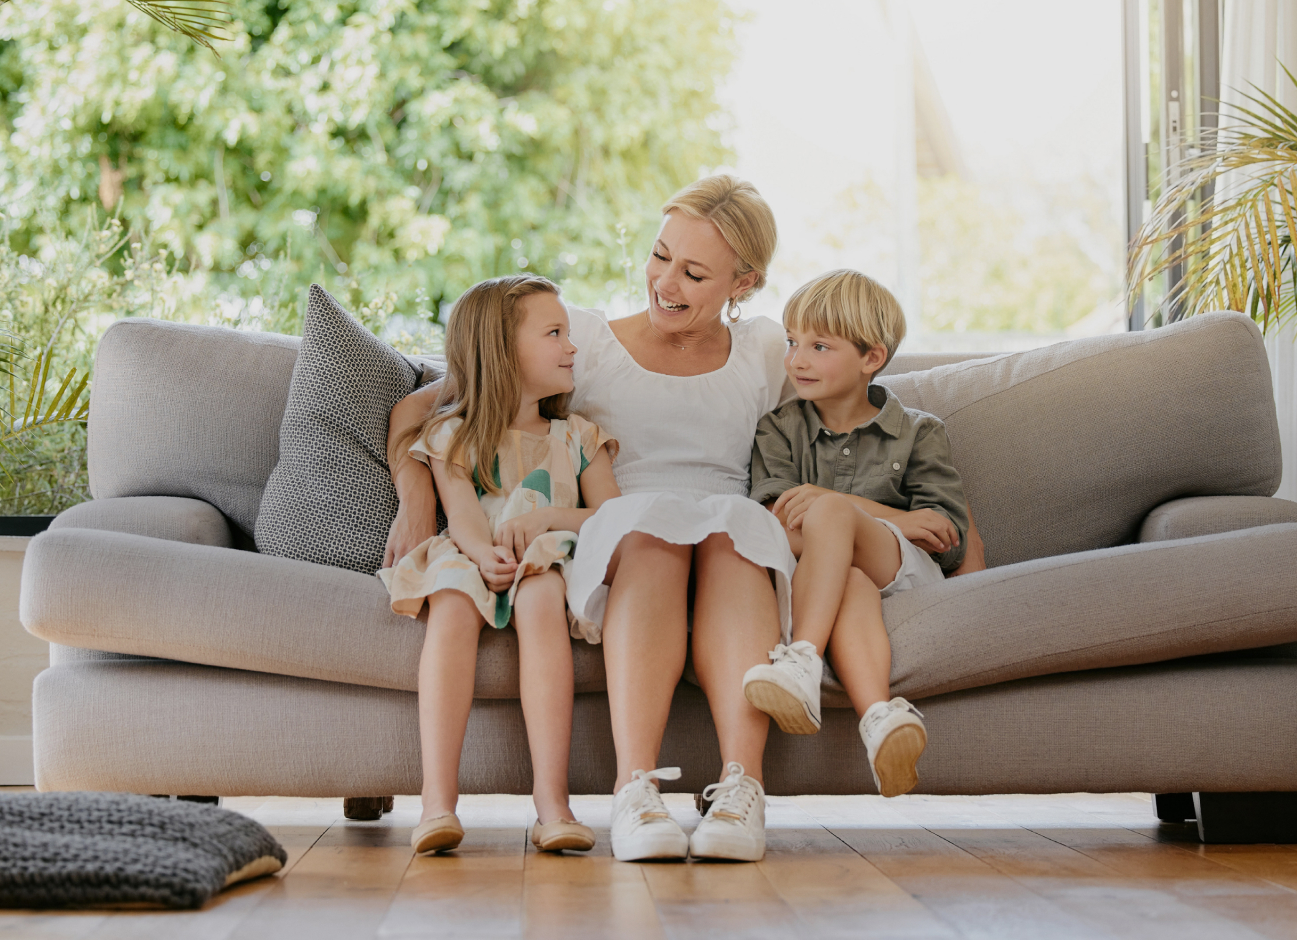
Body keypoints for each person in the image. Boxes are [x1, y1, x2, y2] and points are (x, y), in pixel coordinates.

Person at [387, 177, 988, 863]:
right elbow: (423, 408)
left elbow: (867, 416)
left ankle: (741, 789)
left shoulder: (768, 349)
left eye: (694, 273)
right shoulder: (583, 341)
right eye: (660, 255)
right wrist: (416, 497)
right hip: (625, 535)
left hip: (731, 533)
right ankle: (635, 790)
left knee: (733, 536)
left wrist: (957, 552)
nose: (665, 282)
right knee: (656, 536)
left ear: (743, 282)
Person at [377, 274, 620, 856]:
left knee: (540, 596)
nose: (572, 347)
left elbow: (613, 517)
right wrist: (482, 553)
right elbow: (461, 515)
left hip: (546, 558)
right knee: (452, 600)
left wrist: (550, 519)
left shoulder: (578, 437)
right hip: (474, 550)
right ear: (502, 351)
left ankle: (552, 804)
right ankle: (437, 802)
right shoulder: (454, 435)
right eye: (555, 334)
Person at [743, 269, 979, 799]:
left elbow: (947, 537)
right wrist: (894, 516)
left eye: (819, 346)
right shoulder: (778, 428)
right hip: (828, 577)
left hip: (901, 570)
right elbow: (771, 519)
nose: (796, 360)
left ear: (871, 357)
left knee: (826, 511)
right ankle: (880, 720)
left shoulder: (918, 431)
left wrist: (845, 511)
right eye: (792, 342)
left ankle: (801, 657)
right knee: (847, 574)